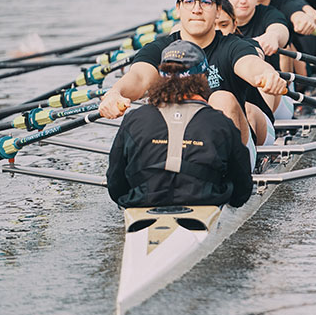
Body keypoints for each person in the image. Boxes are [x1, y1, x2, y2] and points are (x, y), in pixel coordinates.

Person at [98, 0, 287, 170]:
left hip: (232, 148)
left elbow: (250, 64)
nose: (197, 9)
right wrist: (114, 93)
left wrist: (266, 74)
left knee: (221, 98)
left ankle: (225, 177)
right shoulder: (160, 48)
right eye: (189, 1)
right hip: (180, 142)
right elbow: (138, 78)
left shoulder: (233, 46)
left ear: (217, 10)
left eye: (205, 2)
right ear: (178, 9)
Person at [106, 40, 253, 208]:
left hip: (143, 203)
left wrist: (132, 199)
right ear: (203, 78)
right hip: (205, 203)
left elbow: (115, 183)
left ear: (160, 78)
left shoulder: (134, 119)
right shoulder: (220, 122)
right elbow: (243, 189)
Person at [221, 0, 297, 122]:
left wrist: (272, 37)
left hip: (274, 96)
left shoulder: (269, 14)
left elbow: (279, 30)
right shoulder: (213, 18)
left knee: (260, 83)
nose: (243, 0)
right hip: (229, 100)